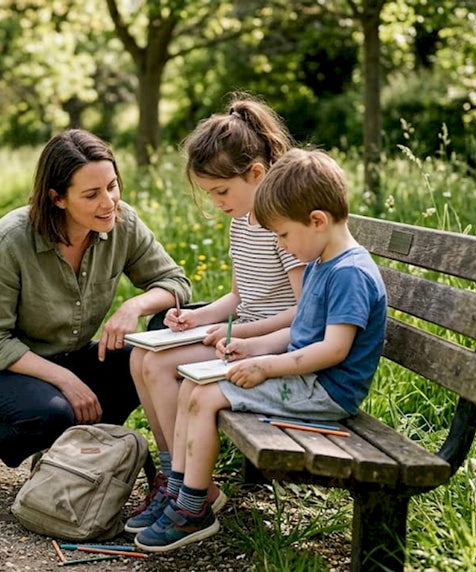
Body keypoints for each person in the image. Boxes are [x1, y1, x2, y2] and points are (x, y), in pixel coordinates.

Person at [133, 149, 388, 552]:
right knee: (192, 388)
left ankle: (193, 509)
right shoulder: (325, 260)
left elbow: (333, 350)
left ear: (317, 220)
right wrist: (251, 346)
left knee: (206, 395)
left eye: (284, 235)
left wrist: (266, 367)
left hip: (326, 390)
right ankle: (183, 495)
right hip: (306, 378)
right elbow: (300, 333)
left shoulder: (349, 273)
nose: (282, 243)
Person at [0, 129, 192, 495]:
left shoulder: (122, 222)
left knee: (144, 362)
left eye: (112, 186)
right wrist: (66, 381)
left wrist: (132, 306)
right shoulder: (10, 239)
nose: (109, 202)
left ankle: (64, 453)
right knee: (54, 413)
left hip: (61, 356)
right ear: (57, 199)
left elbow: (176, 282)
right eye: (91, 194)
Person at [125, 95, 305, 533]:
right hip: (241, 335)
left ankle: (191, 491)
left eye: (222, 191)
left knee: (163, 365)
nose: (218, 202)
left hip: (272, 348)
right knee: (140, 359)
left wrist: (237, 331)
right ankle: (176, 481)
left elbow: (305, 312)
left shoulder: (286, 228)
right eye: (211, 193)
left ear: (257, 174)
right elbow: (237, 298)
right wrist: (196, 317)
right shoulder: (242, 223)